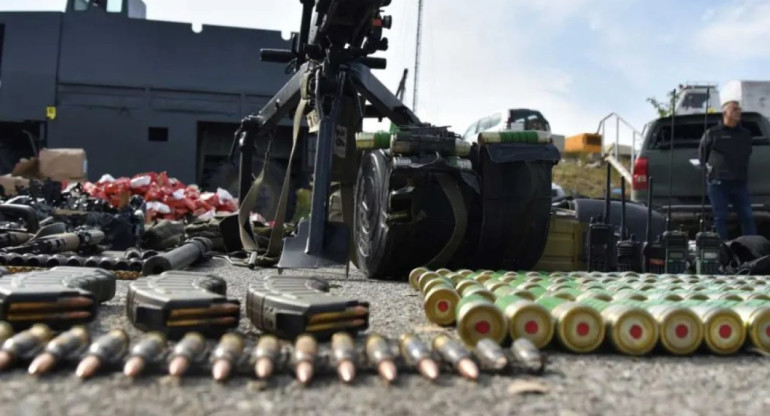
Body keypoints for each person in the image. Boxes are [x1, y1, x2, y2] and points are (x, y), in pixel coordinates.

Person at [698, 100, 757, 240]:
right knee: (720, 218)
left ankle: (754, 249)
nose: (738, 112)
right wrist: (710, 171)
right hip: (718, 183)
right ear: (725, 113)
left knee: (747, 217)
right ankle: (723, 250)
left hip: (740, 183)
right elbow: (702, 155)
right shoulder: (713, 133)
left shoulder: (745, 134)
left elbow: (747, 152)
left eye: (739, 109)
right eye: (734, 109)